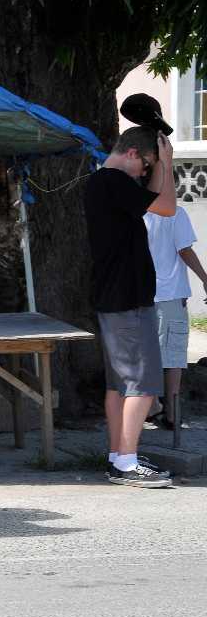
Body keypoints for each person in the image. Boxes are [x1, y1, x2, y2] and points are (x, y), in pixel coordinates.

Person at [83, 123, 176, 487]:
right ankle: (127, 463)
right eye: (146, 165)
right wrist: (167, 163)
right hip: (128, 298)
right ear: (133, 154)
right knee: (143, 383)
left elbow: (151, 203)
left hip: (112, 296)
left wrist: (158, 166)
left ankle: (118, 456)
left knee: (118, 385)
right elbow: (166, 206)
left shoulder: (102, 183)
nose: (147, 173)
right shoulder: (117, 182)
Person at [143, 204, 207, 430]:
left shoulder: (135, 212)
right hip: (169, 293)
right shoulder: (175, 213)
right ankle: (172, 413)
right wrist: (205, 279)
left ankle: (151, 406)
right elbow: (185, 250)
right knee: (173, 356)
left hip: (140, 295)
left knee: (147, 354)